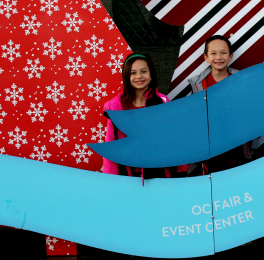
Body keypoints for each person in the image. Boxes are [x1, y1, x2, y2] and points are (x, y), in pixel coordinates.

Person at [101, 53, 188, 181]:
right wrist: (111, 180)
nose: (139, 76)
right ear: (126, 76)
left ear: (151, 74)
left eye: (143, 71)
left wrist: (181, 170)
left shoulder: (162, 102)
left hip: (161, 175)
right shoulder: (116, 108)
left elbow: (175, 138)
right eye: (133, 73)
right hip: (129, 178)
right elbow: (111, 147)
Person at [188, 35, 252, 175]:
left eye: (223, 52)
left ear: (230, 56)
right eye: (213, 53)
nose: (219, 57)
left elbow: (248, 112)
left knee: (235, 180)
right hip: (209, 147)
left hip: (235, 145)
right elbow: (192, 114)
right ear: (206, 58)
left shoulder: (241, 81)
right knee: (212, 182)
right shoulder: (198, 85)